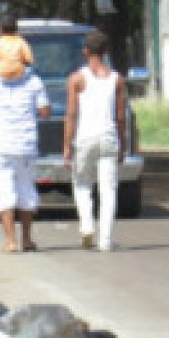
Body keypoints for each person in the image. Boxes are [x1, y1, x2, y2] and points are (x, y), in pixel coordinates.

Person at [0, 59, 51, 253]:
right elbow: (45, 112)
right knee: (26, 189)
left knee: (2, 191)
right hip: (25, 145)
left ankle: (10, 241)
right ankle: (27, 239)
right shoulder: (34, 82)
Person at [63, 30, 126, 252]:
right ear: (106, 52)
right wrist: (123, 145)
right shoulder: (116, 79)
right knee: (108, 190)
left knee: (82, 185)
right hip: (108, 139)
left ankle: (87, 225)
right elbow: (120, 116)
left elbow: (71, 114)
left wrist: (66, 146)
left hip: (85, 139)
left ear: (85, 52)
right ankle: (106, 240)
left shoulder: (77, 79)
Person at [0, 13, 34, 81]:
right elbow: (29, 60)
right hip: (19, 74)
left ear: (0, 29)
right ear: (16, 28)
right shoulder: (21, 41)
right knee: (30, 68)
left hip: (1, 75)